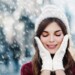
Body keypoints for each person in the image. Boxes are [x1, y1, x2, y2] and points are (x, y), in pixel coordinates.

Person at [21, 5, 75, 75]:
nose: (51, 40)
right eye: (45, 35)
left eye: (57, 34)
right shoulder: (27, 69)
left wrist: (58, 65)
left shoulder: (73, 68)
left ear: (65, 37)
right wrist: (46, 65)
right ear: (38, 38)